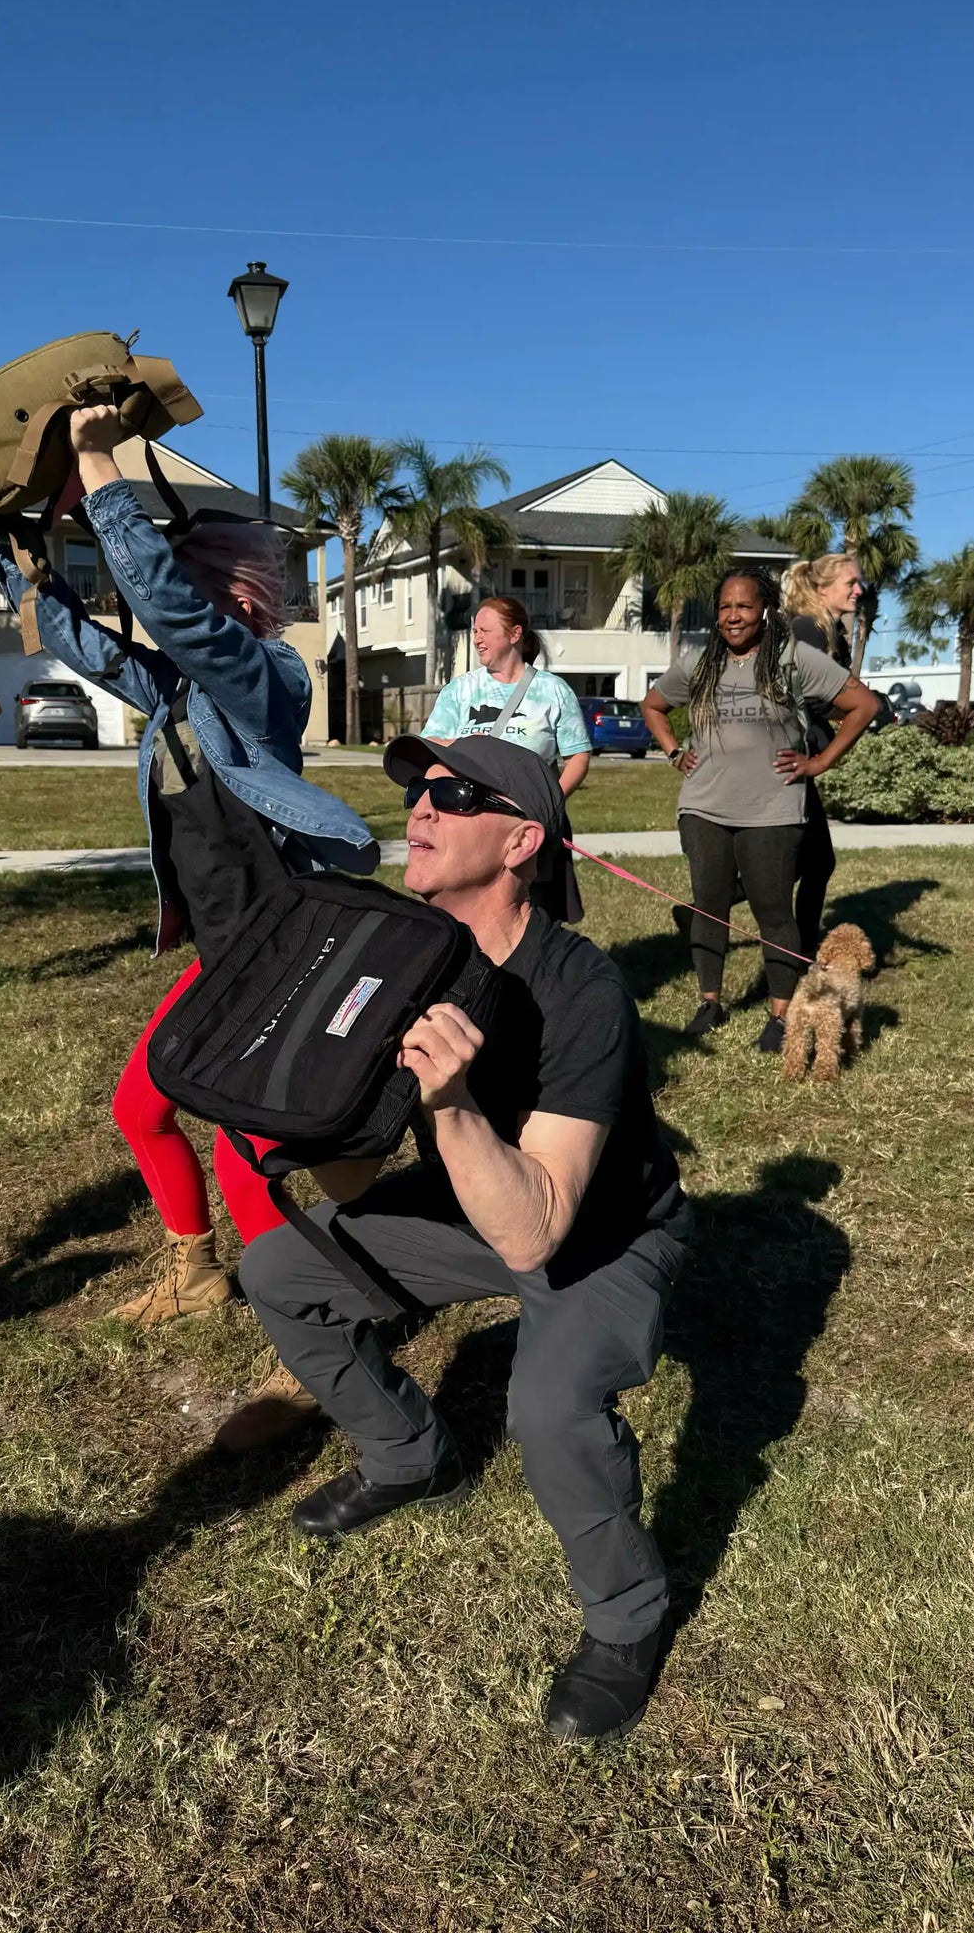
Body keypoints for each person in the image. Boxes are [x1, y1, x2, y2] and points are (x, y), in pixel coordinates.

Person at [237, 733, 689, 1742]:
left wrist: (446, 1102)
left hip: (601, 1232)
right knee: (279, 1267)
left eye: (454, 792)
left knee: (549, 1399)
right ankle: (409, 1455)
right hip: (476, 1206)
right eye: (417, 792)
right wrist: (305, 1102)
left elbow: (536, 1230)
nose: (422, 809)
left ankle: (627, 1615)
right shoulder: (399, 960)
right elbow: (354, 1179)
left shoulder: (583, 990)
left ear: (523, 838)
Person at [0, 407, 378, 1449]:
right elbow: (83, 639)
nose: (168, 615)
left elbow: (174, 616)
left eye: (194, 592)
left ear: (241, 597)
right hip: (224, 949)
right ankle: (196, 1269)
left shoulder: (263, 677)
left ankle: (307, 1334)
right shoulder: (176, 695)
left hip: (279, 944)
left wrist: (101, 465)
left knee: (250, 1142)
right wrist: (31, 547)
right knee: (142, 1106)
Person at [641, 569, 879, 1053]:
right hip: (704, 806)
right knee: (708, 905)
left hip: (773, 808)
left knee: (773, 911)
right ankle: (710, 1001)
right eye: (725, 607)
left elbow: (864, 705)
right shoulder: (701, 661)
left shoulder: (795, 658)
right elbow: (653, 705)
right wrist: (672, 751)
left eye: (744, 607)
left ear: (764, 610)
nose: (733, 616)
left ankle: (780, 1014)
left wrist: (819, 762)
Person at [423, 595, 592, 919]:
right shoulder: (461, 690)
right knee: (474, 910)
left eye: (485, 630)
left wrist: (547, 802)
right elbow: (430, 741)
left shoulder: (553, 690)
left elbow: (579, 757)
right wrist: (465, 740)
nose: (476, 639)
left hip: (533, 822)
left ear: (514, 634)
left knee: (535, 911)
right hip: (472, 820)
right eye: (475, 631)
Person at [782, 552, 864, 955]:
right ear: (822, 587)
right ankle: (801, 950)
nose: (858, 590)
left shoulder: (827, 630)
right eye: (850, 583)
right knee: (815, 862)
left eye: (858, 583)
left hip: (802, 756)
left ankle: (703, 912)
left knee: (804, 861)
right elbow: (806, 698)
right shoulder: (808, 629)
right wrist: (854, 709)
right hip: (794, 757)